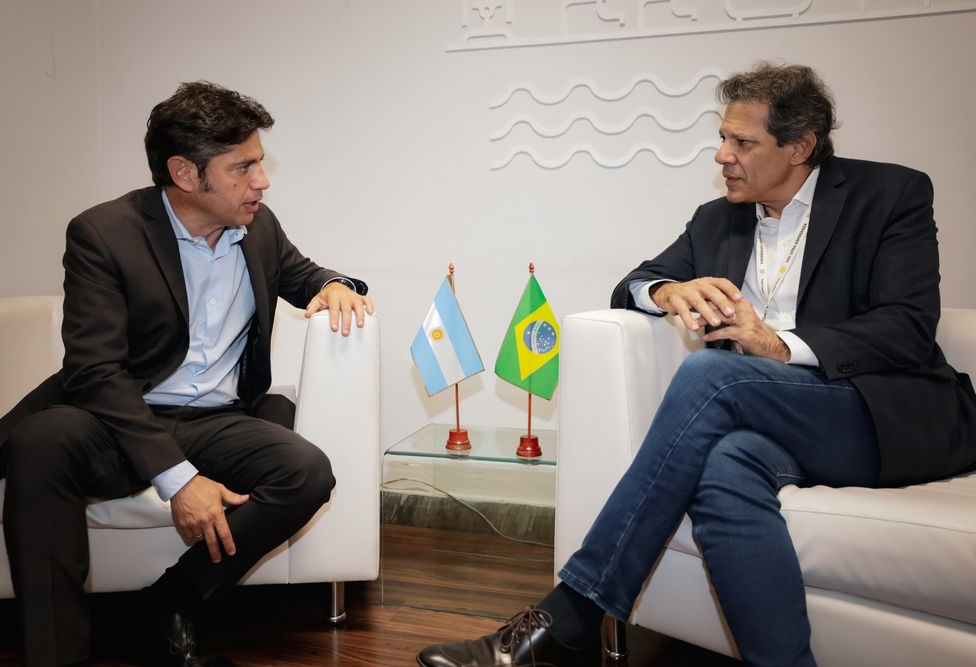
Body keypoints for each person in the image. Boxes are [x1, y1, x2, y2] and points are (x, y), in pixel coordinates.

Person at [416, 62, 976, 667]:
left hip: (877, 412)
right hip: (769, 420)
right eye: (722, 138)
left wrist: (780, 347)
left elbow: (908, 327)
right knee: (725, 467)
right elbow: (631, 283)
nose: (722, 157)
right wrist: (664, 293)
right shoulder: (718, 219)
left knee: (713, 374)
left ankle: (572, 613)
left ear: (799, 147)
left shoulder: (889, 195)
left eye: (742, 142)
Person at [0, 81, 374, 667]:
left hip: (217, 419)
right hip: (117, 419)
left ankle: (166, 605)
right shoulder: (104, 234)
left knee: (305, 471)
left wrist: (335, 285)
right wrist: (178, 478)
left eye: (259, 163)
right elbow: (93, 372)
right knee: (42, 442)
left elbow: (304, 273)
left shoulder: (257, 226)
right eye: (243, 168)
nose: (261, 181)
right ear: (185, 174)